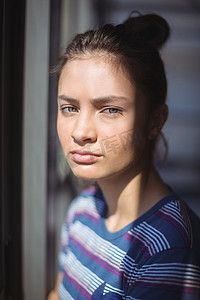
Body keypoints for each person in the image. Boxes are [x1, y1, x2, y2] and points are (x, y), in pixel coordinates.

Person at [48, 12, 200, 300]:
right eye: (69, 108)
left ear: (155, 121)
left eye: (110, 110)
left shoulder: (169, 246)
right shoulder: (82, 210)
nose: (81, 132)